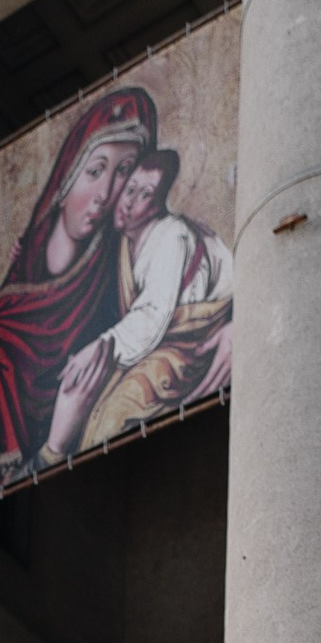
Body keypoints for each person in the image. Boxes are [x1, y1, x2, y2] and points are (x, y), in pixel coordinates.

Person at [0, 84, 155, 519]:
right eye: (95, 170)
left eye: (124, 171)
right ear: (64, 179)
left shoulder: (113, 269)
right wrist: (54, 446)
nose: (106, 193)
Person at [51, 146, 236, 461]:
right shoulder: (126, 240)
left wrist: (97, 349)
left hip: (188, 344)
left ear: (158, 205)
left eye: (145, 195)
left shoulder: (171, 237)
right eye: (130, 189)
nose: (129, 202)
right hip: (155, 342)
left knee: (113, 415)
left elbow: (153, 317)